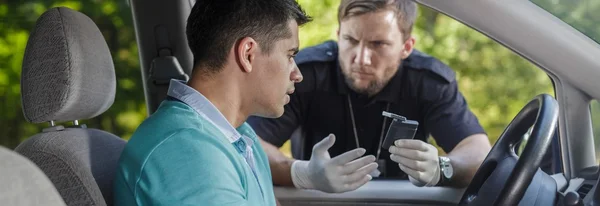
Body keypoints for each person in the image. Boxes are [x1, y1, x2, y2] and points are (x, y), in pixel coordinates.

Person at [247, 0, 492, 193]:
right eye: (351, 40)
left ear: (406, 47)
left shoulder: (428, 81)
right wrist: (301, 173)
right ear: (338, 34)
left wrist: (443, 168)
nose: (361, 58)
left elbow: (478, 152)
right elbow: (251, 144)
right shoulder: (306, 74)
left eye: (378, 44)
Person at [113, 0, 311, 205]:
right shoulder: (185, 150)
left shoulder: (238, 134)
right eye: (290, 55)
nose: (297, 75)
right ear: (247, 55)